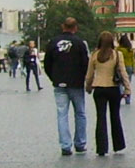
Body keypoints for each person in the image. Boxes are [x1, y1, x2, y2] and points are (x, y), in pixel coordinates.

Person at [43, 18, 91, 155]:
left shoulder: (53, 42)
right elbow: (85, 63)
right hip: (76, 84)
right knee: (80, 113)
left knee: (62, 114)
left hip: (59, 83)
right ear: (75, 28)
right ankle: (80, 143)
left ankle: (65, 145)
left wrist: (54, 77)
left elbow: (47, 64)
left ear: (62, 26)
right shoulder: (80, 43)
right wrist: (83, 79)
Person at [87, 31, 129, 155]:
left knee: (101, 118)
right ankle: (118, 145)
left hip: (99, 89)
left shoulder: (94, 55)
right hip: (113, 88)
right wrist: (127, 88)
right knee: (115, 116)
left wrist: (88, 86)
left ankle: (101, 148)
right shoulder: (117, 54)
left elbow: (89, 75)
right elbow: (123, 72)